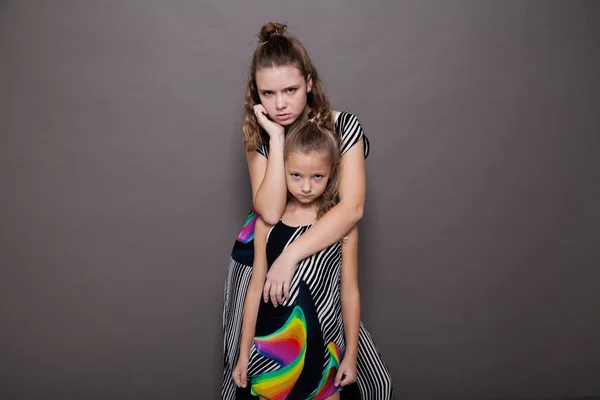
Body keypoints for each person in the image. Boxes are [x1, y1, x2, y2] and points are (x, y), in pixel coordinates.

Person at [222, 21, 393, 399]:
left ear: (310, 83)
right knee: (261, 373)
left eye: (291, 90)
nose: (280, 103)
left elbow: (352, 208)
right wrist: (277, 138)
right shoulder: (261, 133)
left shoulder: (343, 126)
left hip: (321, 242)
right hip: (265, 252)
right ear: (256, 94)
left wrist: (293, 255)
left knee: (356, 376)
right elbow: (268, 209)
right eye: (268, 93)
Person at [233, 117, 360, 399]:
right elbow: (255, 291)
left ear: (331, 172)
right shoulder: (269, 223)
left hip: (325, 351)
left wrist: (351, 355)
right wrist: (243, 354)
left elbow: (349, 290)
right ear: (283, 170)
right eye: (296, 176)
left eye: (317, 176)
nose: (306, 187)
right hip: (272, 353)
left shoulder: (339, 225)